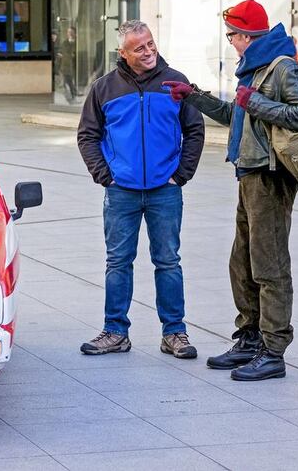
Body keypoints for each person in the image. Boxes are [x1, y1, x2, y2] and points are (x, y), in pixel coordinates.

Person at [163, 0, 298, 381]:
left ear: (248, 35)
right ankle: (249, 338)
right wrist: (193, 95)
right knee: (242, 263)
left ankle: (273, 350)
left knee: (269, 266)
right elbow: (238, 116)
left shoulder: (283, 68)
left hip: (271, 177)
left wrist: (259, 102)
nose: (230, 41)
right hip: (248, 173)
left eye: (232, 35)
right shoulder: (253, 69)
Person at [77, 19, 205, 359]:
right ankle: (115, 331)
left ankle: (174, 333)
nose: (148, 51)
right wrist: (105, 175)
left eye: (150, 44)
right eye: (139, 47)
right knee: (118, 262)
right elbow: (87, 135)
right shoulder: (104, 88)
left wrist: (181, 175)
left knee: (168, 262)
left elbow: (195, 130)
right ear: (123, 53)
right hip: (122, 192)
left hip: (166, 190)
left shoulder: (176, 83)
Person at [59, 26, 77, 103]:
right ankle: (71, 97)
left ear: (74, 33)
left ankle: (73, 95)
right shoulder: (64, 43)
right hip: (66, 67)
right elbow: (63, 53)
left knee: (72, 82)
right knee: (68, 82)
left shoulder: (77, 42)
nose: (69, 34)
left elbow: (74, 54)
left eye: (71, 32)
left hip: (75, 66)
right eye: (68, 32)